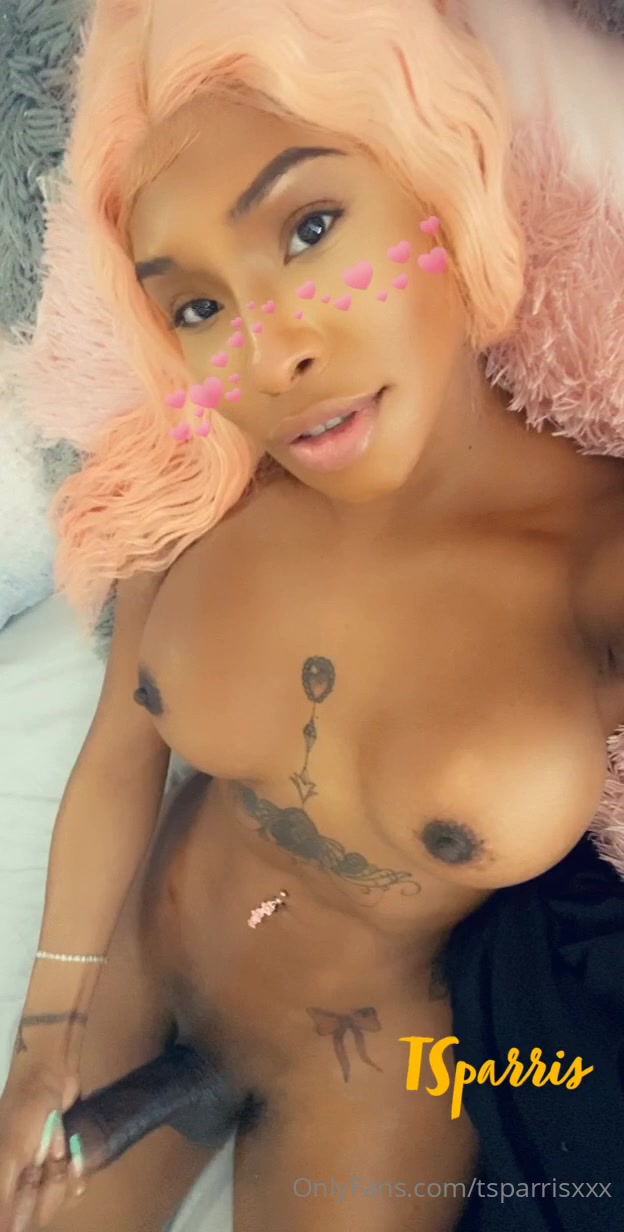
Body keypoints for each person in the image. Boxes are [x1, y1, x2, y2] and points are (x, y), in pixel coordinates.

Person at [1, 0, 624, 1228]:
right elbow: (122, 750)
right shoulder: (198, 483)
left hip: (368, 1067)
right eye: (195, 307)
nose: (267, 353)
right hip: (141, 955)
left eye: (310, 227)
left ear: (440, 185)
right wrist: (46, 1035)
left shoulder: (597, 561)